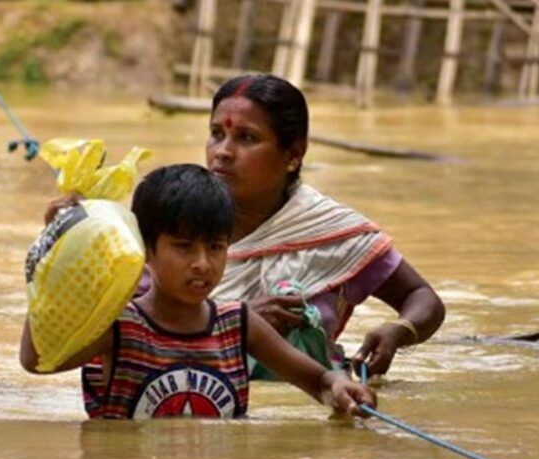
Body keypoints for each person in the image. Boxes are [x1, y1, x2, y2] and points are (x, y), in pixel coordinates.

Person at [46, 74, 444, 378]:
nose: (222, 152)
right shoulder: (162, 225)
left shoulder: (335, 233)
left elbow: (423, 297)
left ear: (294, 154)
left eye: (246, 138)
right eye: (216, 134)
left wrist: (400, 330)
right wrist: (68, 240)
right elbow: (100, 333)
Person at [21, 164, 377, 419]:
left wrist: (340, 388)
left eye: (215, 247)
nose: (203, 264)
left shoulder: (239, 324)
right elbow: (36, 361)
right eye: (183, 247)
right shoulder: (120, 327)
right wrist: (55, 256)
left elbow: (318, 381)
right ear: (146, 250)